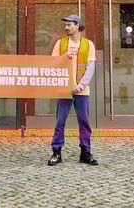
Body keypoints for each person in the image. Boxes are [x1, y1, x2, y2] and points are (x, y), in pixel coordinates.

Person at [48, 14, 98, 166]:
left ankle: (85, 152)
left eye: (69, 25)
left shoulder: (88, 45)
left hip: (81, 90)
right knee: (60, 121)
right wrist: (64, 57)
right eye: (66, 25)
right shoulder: (60, 44)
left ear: (77, 25)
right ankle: (56, 152)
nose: (66, 28)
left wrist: (81, 86)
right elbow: (52, 64)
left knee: (84, 122)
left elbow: (90, 68)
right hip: (64, 90)